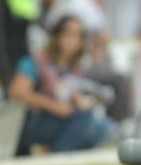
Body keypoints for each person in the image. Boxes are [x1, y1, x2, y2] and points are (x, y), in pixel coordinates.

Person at [9, 15, 115, 153]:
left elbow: (67, 92)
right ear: (56, 36)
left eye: (77, 36)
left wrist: (78, 100)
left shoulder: (74, 68)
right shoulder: (36, 62)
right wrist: (54, 106)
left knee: (102, 128)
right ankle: (55, 155)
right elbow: (17, 92)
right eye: (68, 34)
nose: (72, 40)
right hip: (34, 121)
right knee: (85, 122)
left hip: (65, 119)